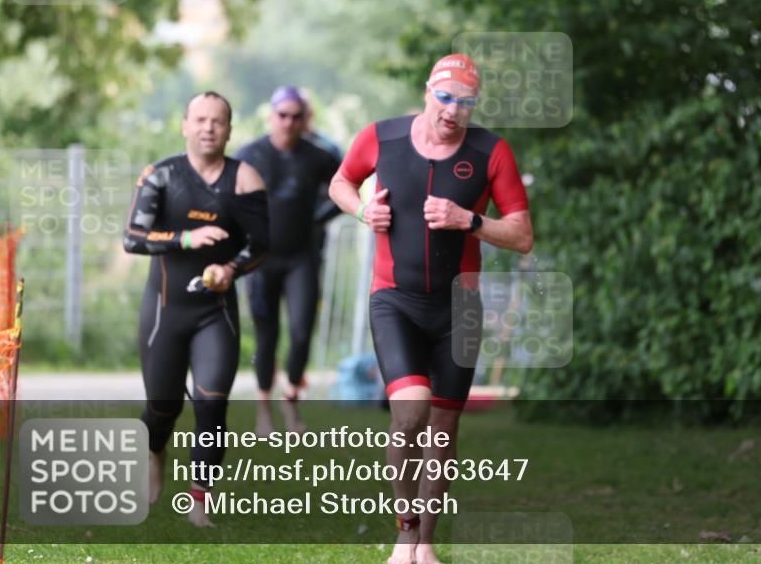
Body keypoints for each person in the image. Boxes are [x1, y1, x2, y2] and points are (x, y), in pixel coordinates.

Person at [329, 54, 533, 564]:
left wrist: (470, 220)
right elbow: (340, 182)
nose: (453, 111)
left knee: (443, 432)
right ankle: (405, 530)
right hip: (394, 299)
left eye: (465, 103)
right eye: (445, 98)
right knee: (410, 413)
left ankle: (426, 544)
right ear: (427, 92)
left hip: (458, 307)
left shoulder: (492, 151)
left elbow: (523, 236)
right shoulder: (381, 137)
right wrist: (361, 209)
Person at [123, 91, 269, 527]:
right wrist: (185, 239)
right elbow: (132, 238)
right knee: (162, 407)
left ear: (229, 129)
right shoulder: (161, 175)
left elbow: (261, 246)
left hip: (215, 312)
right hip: (165, 310)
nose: (208, 128)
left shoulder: (245, 179)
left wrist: (231, 268)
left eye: (218, 121)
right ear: (185, 125)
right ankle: (154, 450)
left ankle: (199, 502)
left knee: (211, 402)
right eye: (200, 120)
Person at [235, 86, 341, 433]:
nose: (289, 122)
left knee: (300, 333)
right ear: (272, 116)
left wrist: (318, 218)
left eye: (297, 116)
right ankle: (264, 408)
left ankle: (291, 403)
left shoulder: (317, 157)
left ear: (305, 119)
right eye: (283, 115)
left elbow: (345, 188)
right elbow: (228, 198)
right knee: (267, 336)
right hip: (262, 260)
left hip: (301, 259)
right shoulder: (250, 154)